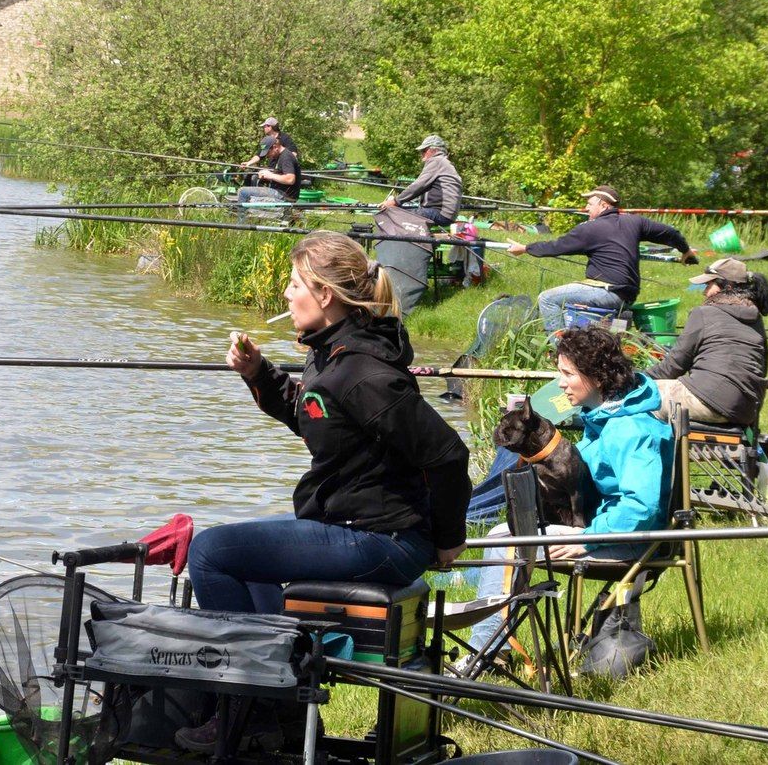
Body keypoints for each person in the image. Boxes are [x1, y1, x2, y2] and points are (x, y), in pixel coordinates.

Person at [177, 232, 471, 754]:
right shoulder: (329, 356)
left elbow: (447, 455)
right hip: (349, 527)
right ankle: (274, 714)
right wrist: (259, 374)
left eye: (295, 285)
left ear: (325, 295)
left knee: (210, 553)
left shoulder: (362, 372)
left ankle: (258, 708)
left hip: (385, 539)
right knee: (245, 561)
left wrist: (448, 538)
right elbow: (310, 415)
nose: (286, 295)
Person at [465, 327, 673, 658]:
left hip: (629, 543)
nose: (560, 383)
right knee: (507, 535)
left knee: (505, 540)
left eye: (567, 374)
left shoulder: (632, 429)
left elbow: (641, 507)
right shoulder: (602, 416)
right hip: (605, 531)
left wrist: (586, 538)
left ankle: (484, 654)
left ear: (597, 377)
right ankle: (494, 647)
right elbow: (557, 416)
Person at [507, 185, 698, 333]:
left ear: (604, 205)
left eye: (590, 204)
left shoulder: (590, 228)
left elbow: (556, 246)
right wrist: (685, 250)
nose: (586, 208)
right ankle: (618, 333)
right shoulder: (635, 222)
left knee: (548, 298)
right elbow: (670, 233)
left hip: (607, 292)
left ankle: (559, 351)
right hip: (628, 295)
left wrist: (524, 248)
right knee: (603, 328)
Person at [645, 257, 768, 428]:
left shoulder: (704, 313)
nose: (704, 292)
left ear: (727, 287)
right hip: (746, 409)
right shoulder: (756, 318)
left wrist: (634, 379)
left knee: (640, 398)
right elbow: (762, 368)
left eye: (708, 285)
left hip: (709, 399)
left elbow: (673, 367)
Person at [380, 134, 462, 226]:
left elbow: (418, 186)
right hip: (446, 215)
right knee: (400, 211)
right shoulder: (445, 163)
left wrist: (395, 201)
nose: (421, 154)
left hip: (439, 213)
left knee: (393, 214)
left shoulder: (436, 161)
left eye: (424, 150)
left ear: (433, 150)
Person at [235, 136, 302, 220]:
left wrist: (270, 175)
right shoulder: (280, 156)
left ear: (275, 147)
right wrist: (267, 175)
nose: (267, 155)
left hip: (284, 195)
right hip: (280, 191)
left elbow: (290, 179)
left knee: (243, 192)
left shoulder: (286, 157)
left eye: (268, 152)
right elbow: (281, 175)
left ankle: (240, 226)